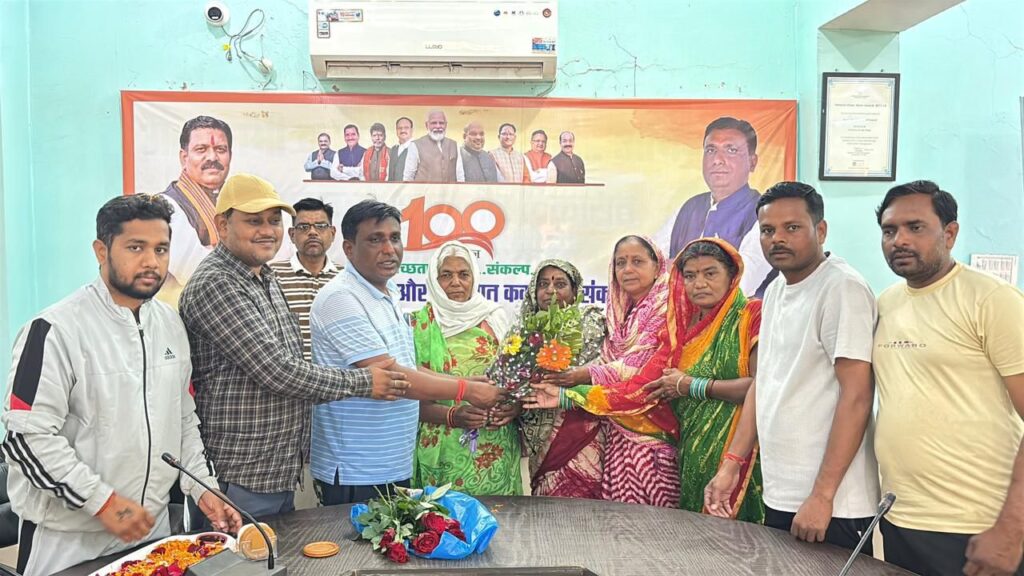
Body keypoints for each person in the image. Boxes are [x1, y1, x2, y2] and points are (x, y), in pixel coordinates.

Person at [2, 195, 241, 576]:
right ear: (102, 251)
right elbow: (26, 438)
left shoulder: (170, 324)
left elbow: (183, 420)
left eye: (161, 249)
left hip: (151, 533)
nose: (152, 262)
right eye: (135, 247)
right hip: (69, 541)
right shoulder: (55, 330)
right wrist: (102, 502)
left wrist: (202, 487)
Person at [178, 174, 409, 520]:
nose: (267, 230)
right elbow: (278, 371)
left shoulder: (263, 277)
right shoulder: (218, 282)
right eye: (254, 221)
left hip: (275, 469)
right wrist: (366, 382)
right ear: (223, 225)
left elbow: (292, 361)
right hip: (237, 475)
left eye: (273, 220)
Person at [532, 238, 764, 518]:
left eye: (710, 273)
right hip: (675, 444)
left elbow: (644, 380)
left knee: (688, 529)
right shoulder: (675, 323)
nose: (699, 283)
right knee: (641, 529)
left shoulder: (734, 315)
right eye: (690, 275)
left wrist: (573, 389)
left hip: (676, 443)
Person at [704, 182, 879, 553]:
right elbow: (763, 383)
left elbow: (858, 396)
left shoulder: (841, 288)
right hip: (783, 489)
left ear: (820, 230)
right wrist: (731, 464)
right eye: (768, 230)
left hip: (833, 503)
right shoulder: (777, 290)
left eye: (792, 228)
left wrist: (823, 495)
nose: (777, 239)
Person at [309, 200, 506, 505]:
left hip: (392, 462)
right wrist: (466, 390)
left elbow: (407, 365)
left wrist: (468, 382)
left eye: (395, 238)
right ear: (348, 248)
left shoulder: (388, 293)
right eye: (375, 240)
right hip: (356, 467)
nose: (389, 249)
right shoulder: (341, 297)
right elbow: (393, 376)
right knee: (354, 539)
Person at [873, 180, 1024, 576]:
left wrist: (1011, 528)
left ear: (950, 233)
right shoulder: (885, 304)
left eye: (915, 227)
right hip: (901, 517)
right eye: (889, 231)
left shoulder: (992, 299)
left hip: (979, 524)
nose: (899, 240)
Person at [533, 236, 680, 507]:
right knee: (617, 516)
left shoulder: (666, 306)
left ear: (657, 265)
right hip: (616, 427)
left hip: (651, 431)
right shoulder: (620, 314)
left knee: (654, 520)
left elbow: (640, 366)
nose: (627, 269)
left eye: (637, 261)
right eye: (620, 263)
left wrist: (582, 377)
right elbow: (609, 359)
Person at [411, 241, 521, 495]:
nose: (456, 282)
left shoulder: (495, 317)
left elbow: (517, 379)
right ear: (434, 279)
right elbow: (409, 391)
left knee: (500, 514)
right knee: (442, 515)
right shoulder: (419, 324)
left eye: (464, 274)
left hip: (494, 444)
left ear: (474, 278)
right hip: (442, 444)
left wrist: (513, 408)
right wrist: (452, 415)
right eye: (446, 275)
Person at [516, 260, 607, 498]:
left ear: (575, 291)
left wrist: (566, 379)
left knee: (584, 501)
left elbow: (603, 372)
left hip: (581, 427)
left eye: (560, 284)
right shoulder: (524, 329)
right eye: (543, 284)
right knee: (546, 502)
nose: (550, 290)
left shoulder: (591, 321)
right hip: (540, 434)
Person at [654, 117, 774, 298]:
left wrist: (674, 270)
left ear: (752, 162)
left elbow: (739, 284)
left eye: (731, 150)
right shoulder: (689, 208)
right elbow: (649, 266)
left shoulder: (765, 214)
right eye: (711, 150)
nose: (718, 160)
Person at [156, 115, 233, 304]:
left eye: (220, 150)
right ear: (184, 157)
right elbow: (193, 271)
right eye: (201, 149)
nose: (212, 158)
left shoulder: (234, 203)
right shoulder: (164, 207)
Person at [269, 197, 341, 362]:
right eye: (303, 227)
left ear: (332, 233)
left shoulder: (346, 278)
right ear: (292, 235)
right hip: (290, 374)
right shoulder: (271, 276)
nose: (313, 232)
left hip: (338, 374)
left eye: (321, 226)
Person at [403, 110, 465, 183]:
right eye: (434, 123)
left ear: (446, 125)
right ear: (427, 125)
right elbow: (408, 177)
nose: (438, 126)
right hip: (423, 190)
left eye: (441, 123)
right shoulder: (415, 145)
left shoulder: (454, 145)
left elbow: (460, 176)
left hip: (450, 190)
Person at [388, 117, 414, 182]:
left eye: (406, 128)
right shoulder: (393, 150)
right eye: (400, 128)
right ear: (396, 130)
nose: (403, 130)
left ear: (411, 130)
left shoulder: (417, 149)